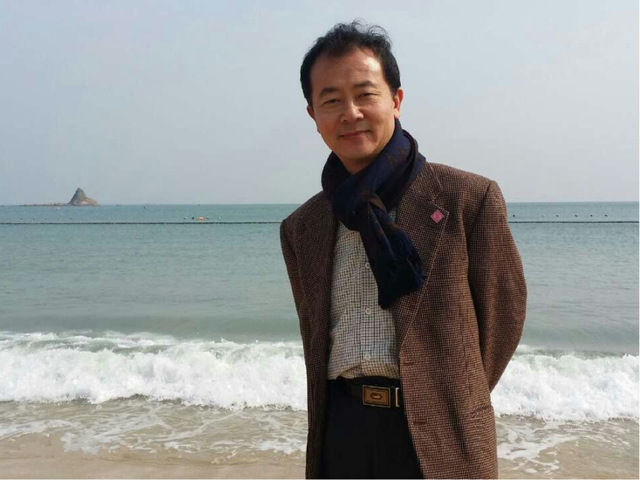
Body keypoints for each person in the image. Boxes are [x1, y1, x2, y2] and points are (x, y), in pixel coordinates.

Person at [280, 21, 526, 479]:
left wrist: (449, 397)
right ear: (313, 115)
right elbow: (316, 334)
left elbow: (503, 319)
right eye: (331, 100)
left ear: (395, 100)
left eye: (365, 94)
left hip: (440, 436)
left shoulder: (467, 199)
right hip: (341, 434)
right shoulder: (302, 227)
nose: (350, 113)